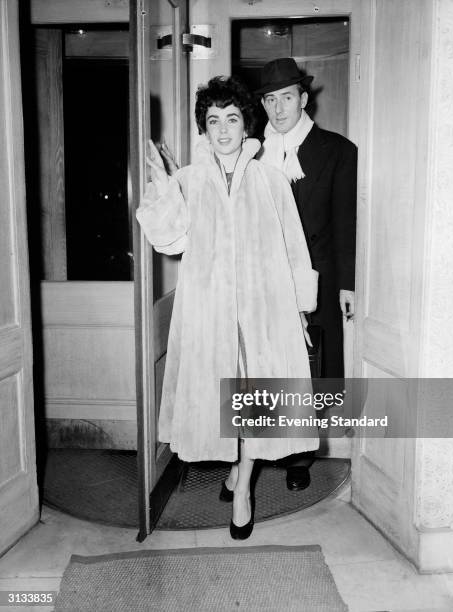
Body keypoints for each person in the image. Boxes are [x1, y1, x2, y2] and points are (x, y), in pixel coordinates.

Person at [136, 76, 320, 539]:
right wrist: (162, 188)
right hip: (210, 311)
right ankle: (238, 472)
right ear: (204, 127)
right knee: (224, 398)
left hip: (265, 310)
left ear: (246, 124)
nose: (222, 130)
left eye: (231, 119)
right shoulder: (190, 180)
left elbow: (295, 247)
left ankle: (243, 487)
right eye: (213, 120)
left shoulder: (271, 178)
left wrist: (300, 310)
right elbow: (170, 240)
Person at [256, 58, 357, 491]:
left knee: (309, 371)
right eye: (270, 99)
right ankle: (255, 453)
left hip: (313, 281)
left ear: (303, 98)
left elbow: (345, 221)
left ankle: (299, 456)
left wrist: (347, 282)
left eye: (287, 97)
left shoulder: (336, 150)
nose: (278, 108)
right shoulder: (251, 153)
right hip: (262, 281)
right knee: (263, 367)